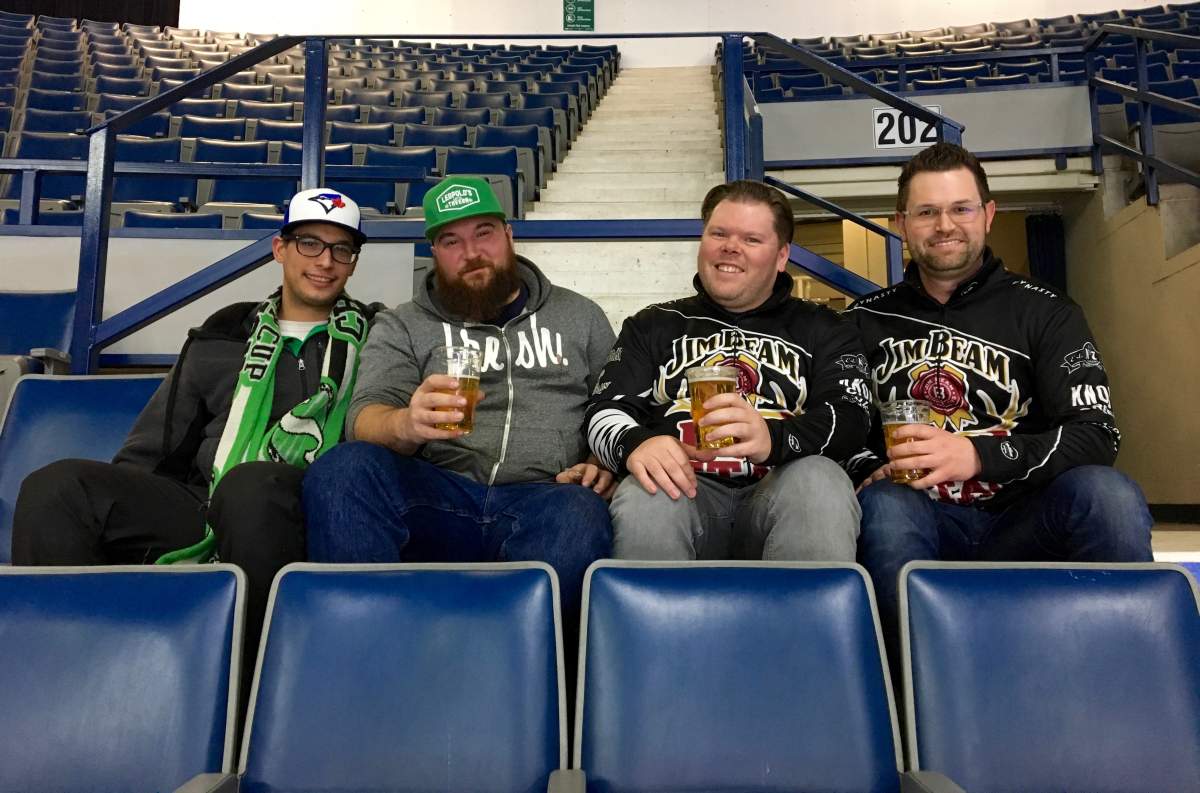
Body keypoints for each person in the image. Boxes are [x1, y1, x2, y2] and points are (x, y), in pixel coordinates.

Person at [12, 187, 378, 657]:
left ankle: (255, 677)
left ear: (352, 262)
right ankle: (64, 664)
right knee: (57, 487)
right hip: (204, 505)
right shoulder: (222, 333)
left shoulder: (378, 336)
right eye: (310, 243)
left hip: (306, 511)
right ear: (279, 249)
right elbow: (154, 449)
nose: (325, 261)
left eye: (341, 249)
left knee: (250, 488)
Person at [846, 142, 1153, 638]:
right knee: (884, 505)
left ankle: (1123, 673)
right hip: (918, 515)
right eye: (927, 212)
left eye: (960, 208)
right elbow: (838, 429)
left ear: (987, 214)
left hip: (1024, 516)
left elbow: (1096, 435)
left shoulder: (1049, 312)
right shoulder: (861, 320)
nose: (945, 225)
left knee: (1108, 495)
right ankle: (907, 691)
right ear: (901, 223)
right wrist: (866, 466)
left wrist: (978, 456)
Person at [301, 176, 615, 635]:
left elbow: (615, 406)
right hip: (437, 493)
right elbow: (364, 416)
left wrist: (598, 460)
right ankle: (363, 649)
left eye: (483, 233)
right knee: (344, 469)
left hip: (543, 497)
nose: (471, 252)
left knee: (580, 511)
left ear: (509, 236)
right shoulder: (402, 324)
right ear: (433, 252)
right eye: (451, 240)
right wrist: (406, 424)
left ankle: (527, 674)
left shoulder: (580, 316)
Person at [584, 179, 870, 561]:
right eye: (719, 233)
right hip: (683, 491)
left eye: (752, 239)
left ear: (782, 256)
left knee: (819, 483)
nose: (730, 247)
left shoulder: (826, 326)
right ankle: (654, 621)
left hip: (781, 489)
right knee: (645, 491)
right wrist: (635, 445)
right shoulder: (653, 324)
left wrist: (775, 438)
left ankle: (804, 621)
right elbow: (604, 411)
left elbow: (853, 417)